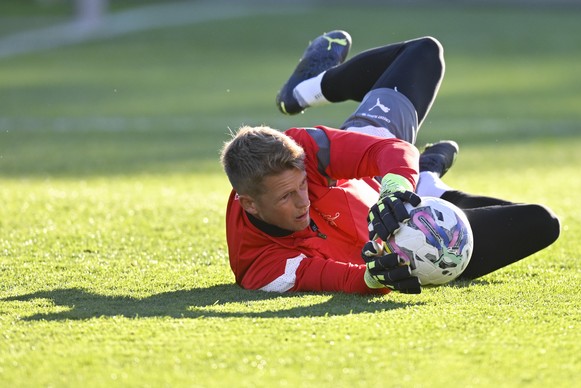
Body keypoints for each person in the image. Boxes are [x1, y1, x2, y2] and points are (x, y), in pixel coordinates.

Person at [220, 31, 560, 295]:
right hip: (413, 238)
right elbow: (332, 277)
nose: (302, 201)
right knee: (541, 222)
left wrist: (395, 187)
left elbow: (391, 151)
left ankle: (305, 91)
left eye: (302, 185)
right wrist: (372, 277)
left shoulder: (303, 147)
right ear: (250, 204)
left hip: (383, 188)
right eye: (285, 197)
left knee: (423, 53)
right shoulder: (259, 265)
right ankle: (429, 182)